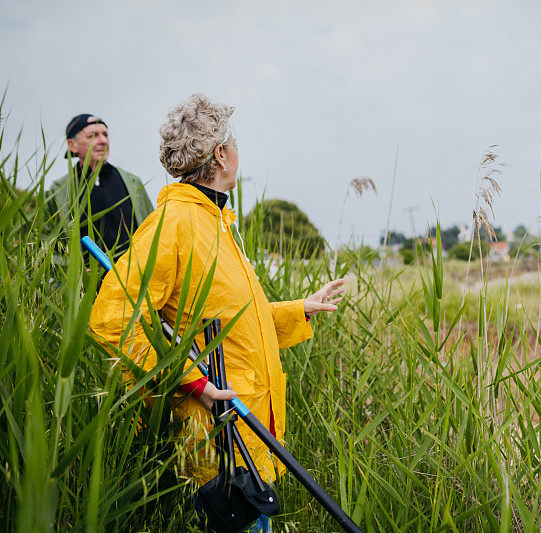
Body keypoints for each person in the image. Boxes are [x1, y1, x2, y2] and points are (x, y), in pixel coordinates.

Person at [88, 94, 344, 530]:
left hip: (253, 430)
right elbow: (112, 322)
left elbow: (231, 318)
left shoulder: (215, 222)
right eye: (234, 142)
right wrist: (194, 383)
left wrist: (297, 310)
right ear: (221, 155)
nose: (238, 151)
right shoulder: (173, 224)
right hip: (217, 438)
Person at [47, 113, 154, 258]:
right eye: (93, 136)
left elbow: (153, 231)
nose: (103, 140)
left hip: (134, 276)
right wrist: (75, 271)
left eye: (105, 134)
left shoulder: (133, 182)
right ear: (72, 145)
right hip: (86, 279)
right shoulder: (58, 190)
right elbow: (45, 244)